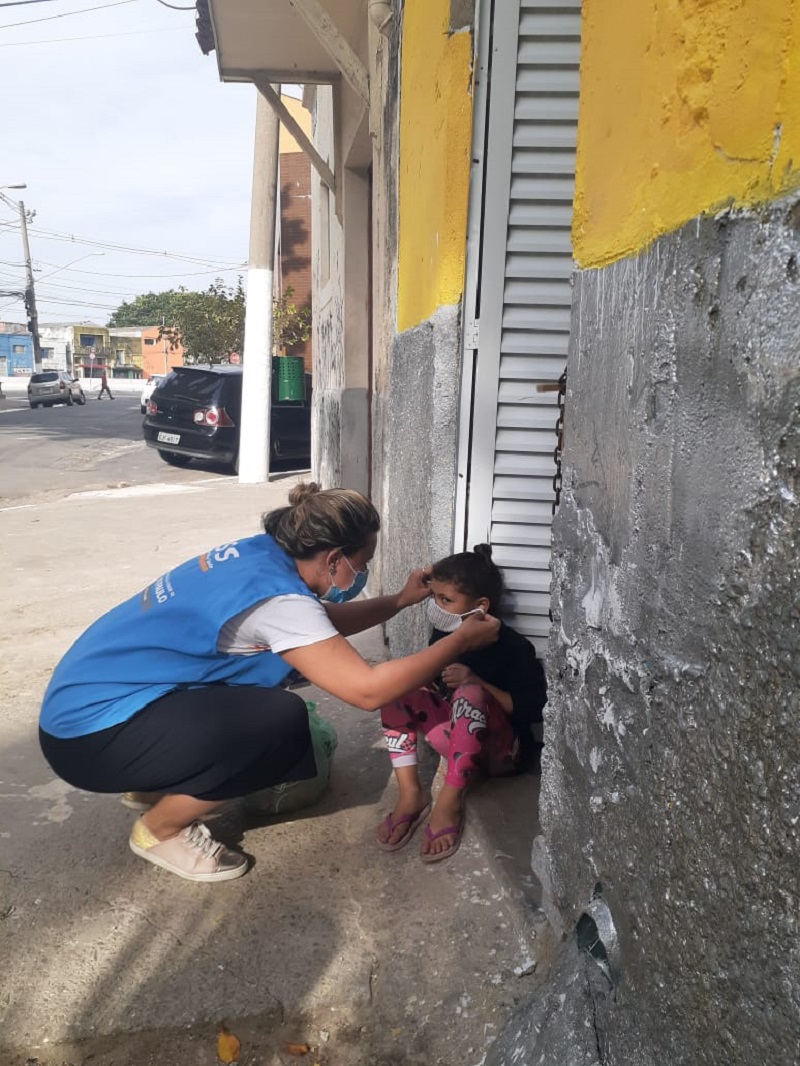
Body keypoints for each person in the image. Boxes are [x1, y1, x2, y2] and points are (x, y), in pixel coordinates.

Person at [38, 483, 500, 883]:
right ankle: (160, 829)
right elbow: (368, 691)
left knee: (259, 696)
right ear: (334, 558)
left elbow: (322, 621)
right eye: (363, 563)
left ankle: (157, 780)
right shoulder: (279, 600)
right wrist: (459, 641)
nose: (359, 575)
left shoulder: (263, 553)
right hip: (90, 739)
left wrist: (399, 601)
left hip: (84, 707)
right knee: (278, 725)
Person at [375, 544, 547, 863]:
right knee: (397, 685)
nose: (437, 607)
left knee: (470, 694)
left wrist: (477, 682)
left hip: (501, 754)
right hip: (456, 742)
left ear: (480, 606)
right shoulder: (444, 632)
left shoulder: (514, 648)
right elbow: (433, 680)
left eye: (446, 600)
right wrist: (427, 681)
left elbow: (532, 708)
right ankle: (411, 795)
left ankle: (449, 802)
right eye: (434, 598)